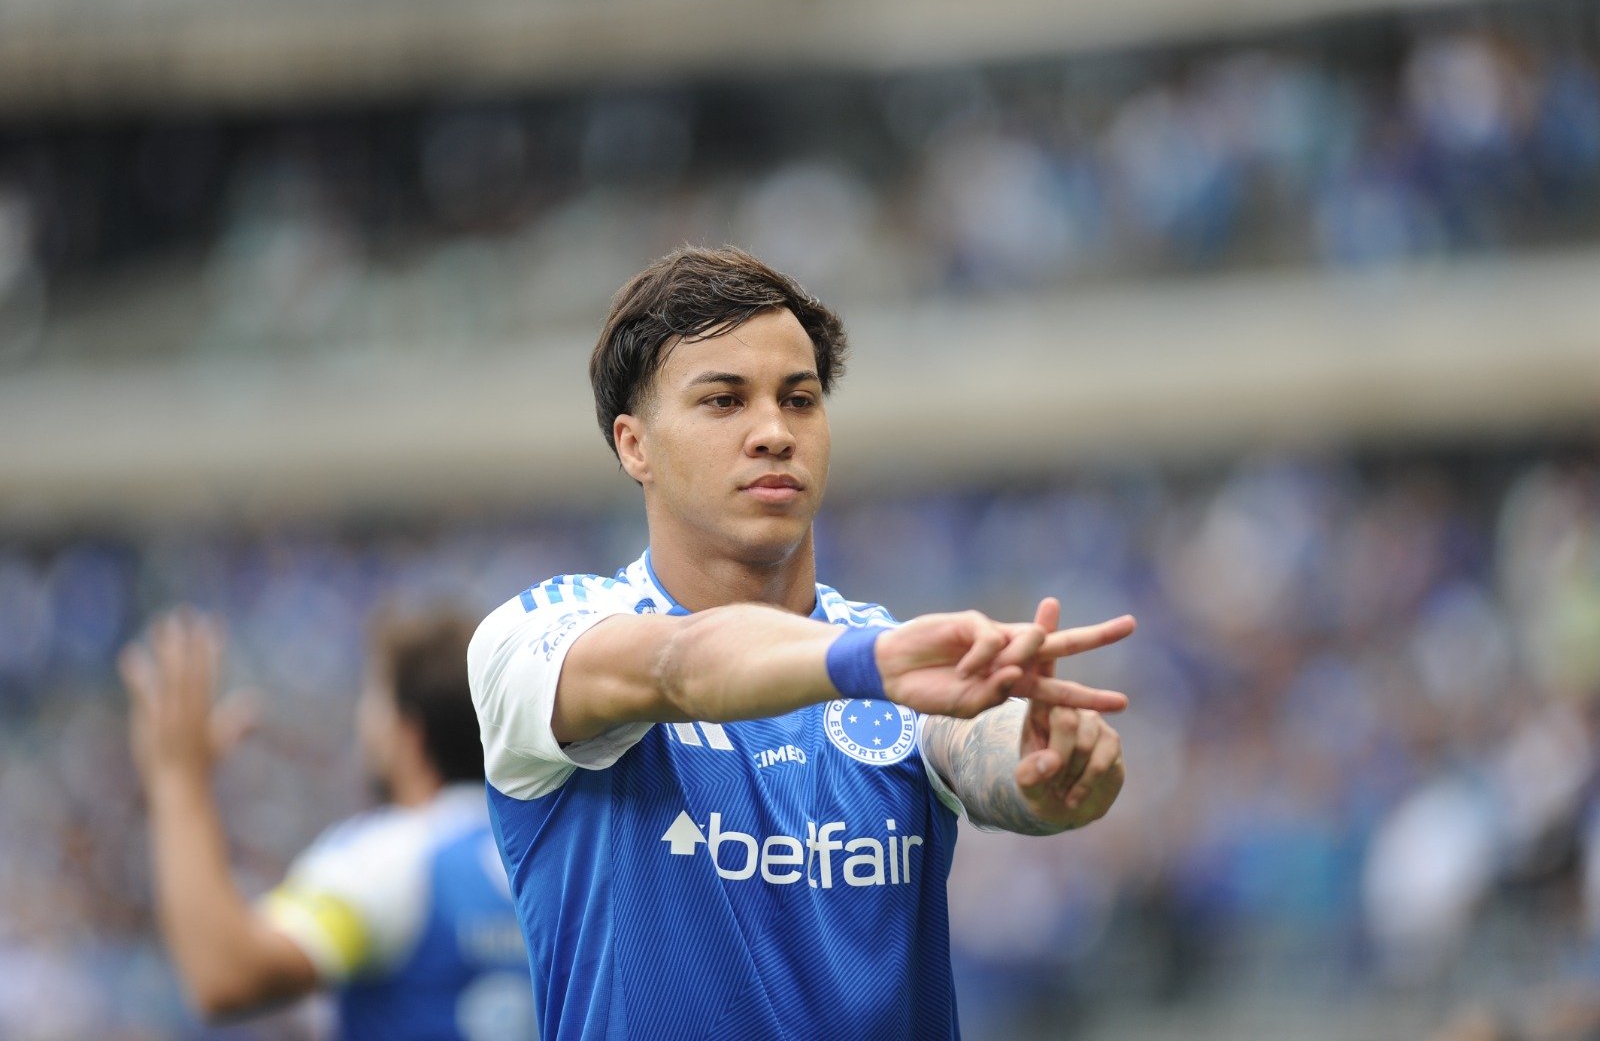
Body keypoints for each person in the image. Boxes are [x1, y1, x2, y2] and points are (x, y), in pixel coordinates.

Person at [470, 245, 1134, 1038]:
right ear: (633, 445)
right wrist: (866, 664)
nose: (774, 432)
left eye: (800, 399)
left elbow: (979, 750)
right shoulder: (542, 632)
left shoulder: (894, 665)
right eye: (724, 401)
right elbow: (677, 665)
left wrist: (1044, 772)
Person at [121, 607, 536, 1040]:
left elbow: (224, 974)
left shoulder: (395, 859)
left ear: (406, 735)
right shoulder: (546, 857)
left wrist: (178, 782)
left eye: (373, 700)